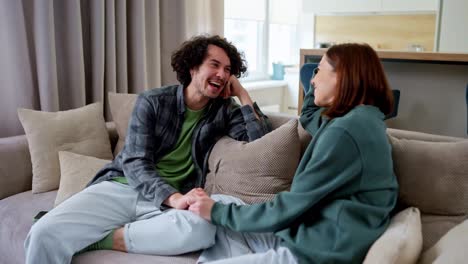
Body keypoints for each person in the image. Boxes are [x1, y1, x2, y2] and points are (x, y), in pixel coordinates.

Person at [24, 35, 272, 264]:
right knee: (43, 233)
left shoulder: (224, 110)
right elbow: (135, 163)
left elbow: (260, 140)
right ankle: (90, 230)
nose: (222, 74)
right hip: (124, 188)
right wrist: (175, 198)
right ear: (193, 67)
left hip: (168, 205)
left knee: (206, 227)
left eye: (228, 70)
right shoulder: (153, 101)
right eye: (214, 65)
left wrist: (243, 95)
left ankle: (103, 238)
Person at [188, 43, 399, 264]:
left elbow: (289, 206)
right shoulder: (361, 120)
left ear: (342, 75)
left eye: (319, 71)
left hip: (316, 252)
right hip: (315, 237)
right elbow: (308, 114)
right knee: (222, 212)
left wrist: (218, 212)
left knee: (219, 212)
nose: (314, 80)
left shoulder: (345, 132)